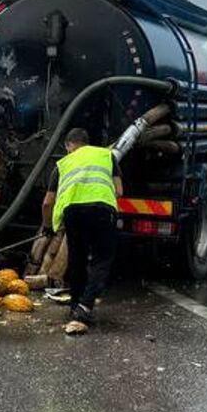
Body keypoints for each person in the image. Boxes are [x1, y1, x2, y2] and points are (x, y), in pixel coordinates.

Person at [41, 128, 119, 325]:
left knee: (77, 259)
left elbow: (47, 203)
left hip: (74, 213)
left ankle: (76, 305)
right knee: (102, 259)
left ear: (68, 145)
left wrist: (48, 227)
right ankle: (85, 305)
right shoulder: (107, 156)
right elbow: (119, 190)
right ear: (87, 142)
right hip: (102, 210)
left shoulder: (62, 164)